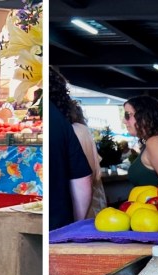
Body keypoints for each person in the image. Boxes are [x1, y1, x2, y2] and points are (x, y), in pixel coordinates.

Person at [50, 69, 105, 218]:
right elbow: (92, 172)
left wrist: (75, 222)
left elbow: (81, 177)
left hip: (74, 209)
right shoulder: (82, 130)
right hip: (92, 204)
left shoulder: (69, 131)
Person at [49, 105, 92, 231]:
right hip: (60, 224)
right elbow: (82, 178)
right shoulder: (59, 120)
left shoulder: (55, 117)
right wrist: (75, 226)